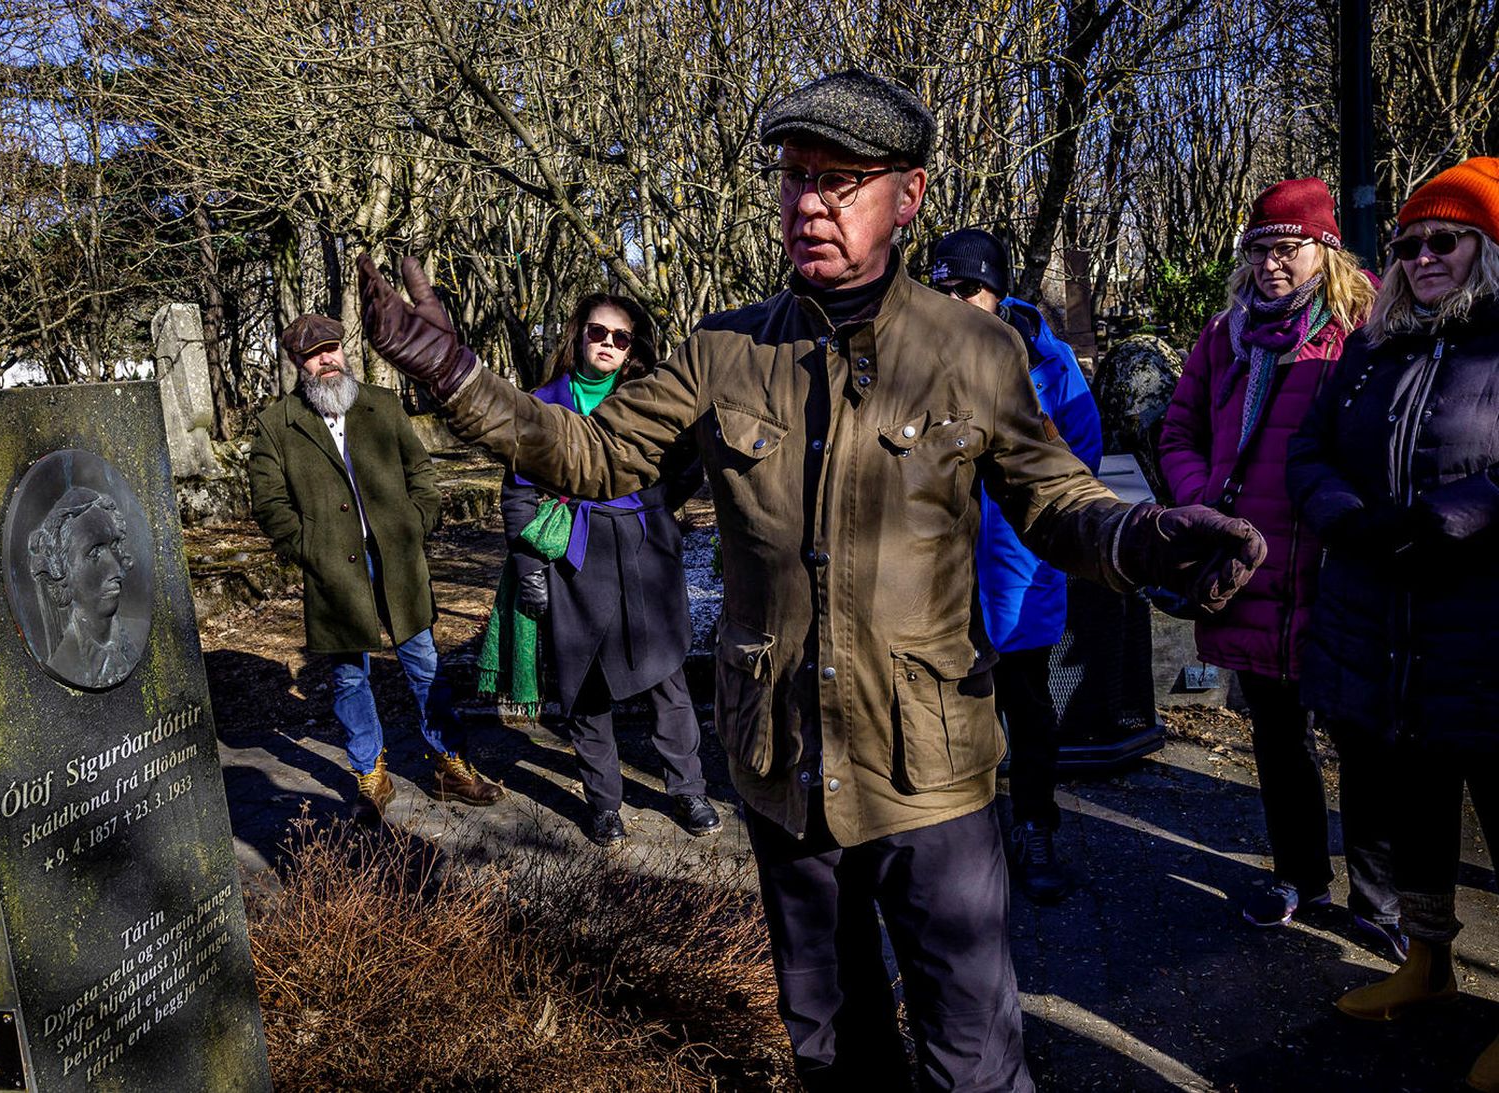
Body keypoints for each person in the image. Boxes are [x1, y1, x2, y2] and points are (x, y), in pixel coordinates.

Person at [357, 70, 1264, 1092]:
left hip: (931, 778)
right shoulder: (723, 350)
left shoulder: (973, 349)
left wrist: (1141, 538)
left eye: (840, 180)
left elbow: (1052, 496)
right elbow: (589, 455)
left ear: (907, 195)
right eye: (794, 178)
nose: (807, 204)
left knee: (972, 1059)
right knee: (832, 1050)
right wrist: (454, 376)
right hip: (783, 769)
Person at [1288, 156, 1499, 1091]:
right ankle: (1426, 962)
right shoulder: (1371, 351)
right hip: (1381, 626)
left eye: (1444, 239)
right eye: (1408, 242)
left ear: (1487, 249)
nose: (1420, 256)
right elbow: (1307, 446)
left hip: (1481, 630)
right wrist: (1339, 510)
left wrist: (1454, 517)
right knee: (1413, 807)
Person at [1158, 178, 1399, 952]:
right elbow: (1177, 433)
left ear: (1324, 250)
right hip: (1251, 574)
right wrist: (1206, 504)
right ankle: (1300, 874)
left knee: (1363, 741)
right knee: (1277, 738)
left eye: (1286, 249)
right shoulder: (1223, 335)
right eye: (1258, 250)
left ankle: (1378, 899)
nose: (1269, 264)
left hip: (1338, 574)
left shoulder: (1364, 328)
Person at [248, 313, 504, 817]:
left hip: (399, 563)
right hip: (334, 574)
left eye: (332, 349)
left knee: (425, 666)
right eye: (313, 354)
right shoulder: (276, 424)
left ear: (345, 351)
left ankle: (451, 764)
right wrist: (307, 547)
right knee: (349, 677)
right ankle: (371, 774)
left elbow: (420, 472)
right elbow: (268, 503)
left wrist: (418, 519)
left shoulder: (381, 407)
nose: (326, 360)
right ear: (298, 364)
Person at [494, 293, 720, 846]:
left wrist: (657, 507)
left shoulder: (651, 401)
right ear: (579, 334)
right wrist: (529, 568)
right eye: (599, 333)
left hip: (646, 555)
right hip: (577, 557)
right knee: (586, 687)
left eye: (622, 338)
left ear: (633, 349)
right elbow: (519, 494)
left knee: (667, 676)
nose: (608, 345)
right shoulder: (541, 406)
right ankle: (604, 803)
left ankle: (688, 790)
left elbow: (689, 460)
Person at [929, 227, 1102, 905]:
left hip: (1019, 574)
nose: (953, 302)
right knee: (944, 718)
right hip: (936, 580)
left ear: (997, 293)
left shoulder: (1054, 369)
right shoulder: (910, 357)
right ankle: (959, 844)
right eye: (940, 290)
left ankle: (1034, 826)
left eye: (966, 288)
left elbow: (1079, 468)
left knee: (1028, 713)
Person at [29, 487, 139, 688]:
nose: (116, 568)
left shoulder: (138, 634)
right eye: (94, 553)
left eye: (114, 546)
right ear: (61, 570)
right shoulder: (62, 663)